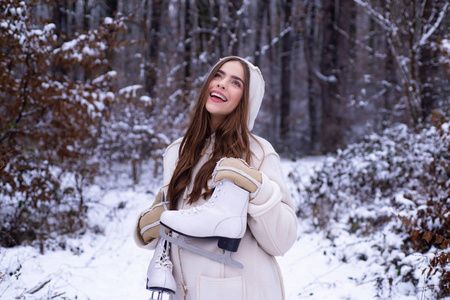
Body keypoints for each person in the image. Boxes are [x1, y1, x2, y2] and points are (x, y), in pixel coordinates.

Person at [134, 56, 298, 300]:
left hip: (242, 291)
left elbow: (282, 240)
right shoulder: (177, 152)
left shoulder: (258, 152)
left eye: (236, 83)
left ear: (247, 100)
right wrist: (149, 226)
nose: (221, 84)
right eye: (218, 76)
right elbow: (177, 225)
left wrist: (258, 189)